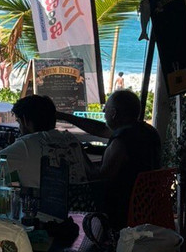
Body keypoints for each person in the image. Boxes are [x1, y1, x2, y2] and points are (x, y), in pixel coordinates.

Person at [58, 88, 161, 228]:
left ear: (113, 113)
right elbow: (100, 129)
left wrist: (78, 151)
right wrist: (65, 117)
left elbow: (99, 177)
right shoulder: (149, 132)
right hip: (147, 205)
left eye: (105, 109)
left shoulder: (121, 141)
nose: (103, 111)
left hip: (121, 211)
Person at [0, 95, 92, 189]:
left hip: (45, 199)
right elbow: (91, 171)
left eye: (19, 122)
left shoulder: (27, 144)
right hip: (80, 198)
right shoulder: (71, 139)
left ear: (24, 121)